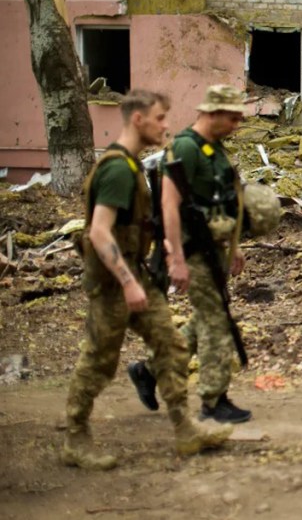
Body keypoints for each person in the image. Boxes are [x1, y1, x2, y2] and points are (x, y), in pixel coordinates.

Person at [63, 90, 231, 471]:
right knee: (99, 360)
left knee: (170, 345)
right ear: (138, 120)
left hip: (137, 274)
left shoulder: (133, 165)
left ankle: (185, 429)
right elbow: (99, 233)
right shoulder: (118, 170)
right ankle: (75, 437)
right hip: (112, 283)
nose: (166, 125)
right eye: (159, 118)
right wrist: (127, 282)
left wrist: (165, 254)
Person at [129, 84, 251, 423]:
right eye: (232, 118)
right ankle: (214, 400)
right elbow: (169, 205)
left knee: (205, 319)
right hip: (191, 251)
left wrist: (234, 245)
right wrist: (176, 259)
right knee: (215, 322)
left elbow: (225, 202)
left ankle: (149, 371)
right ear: (212, 113)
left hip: (214, 249)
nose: (235, 125)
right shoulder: (185, 147)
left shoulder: (216, 149)